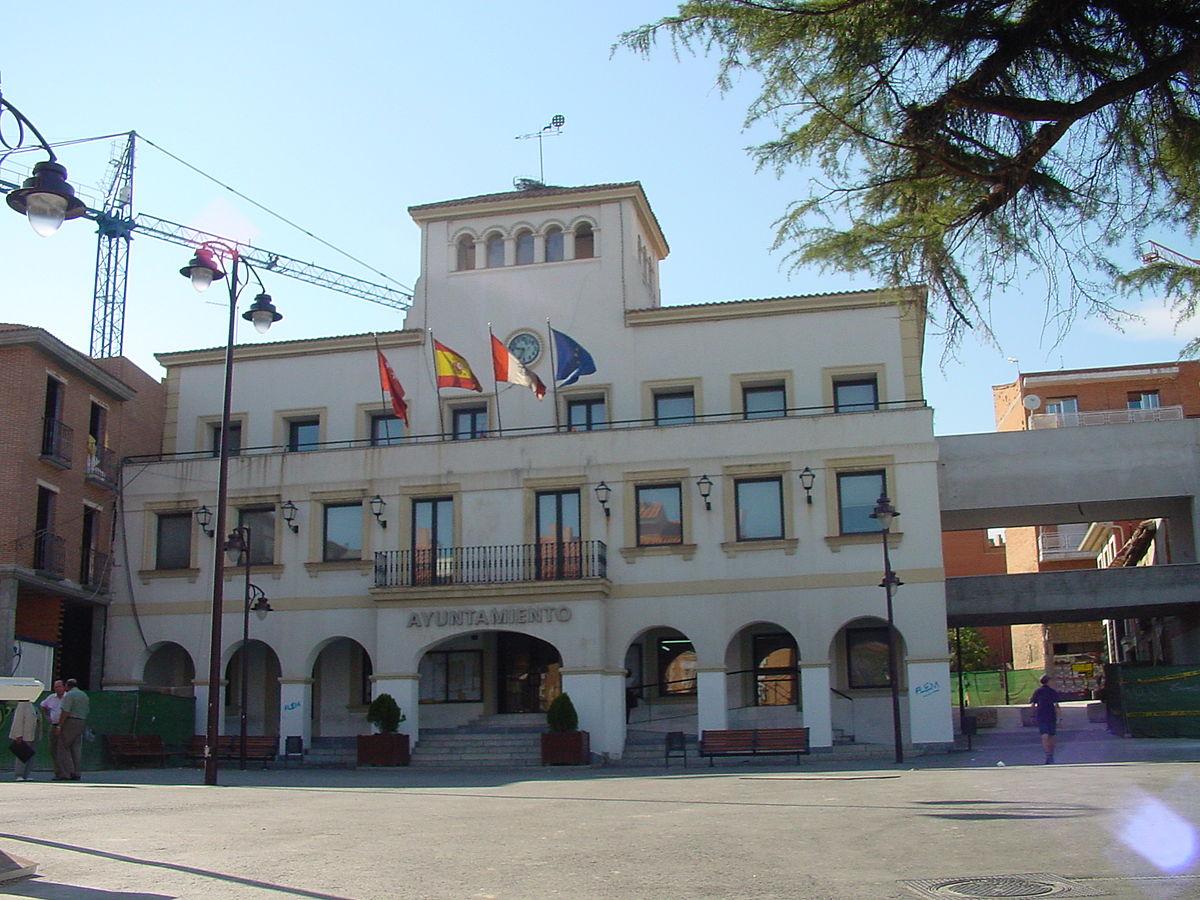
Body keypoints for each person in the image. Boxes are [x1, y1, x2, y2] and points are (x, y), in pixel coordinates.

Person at [56, 678, 90, 781]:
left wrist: (59, 725)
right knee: (76, 748)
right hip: (81, 721)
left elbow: (65, 711)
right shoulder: (84, 695)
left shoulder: (69, 695)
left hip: (71, 721)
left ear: (67, 686)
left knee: (63, 746)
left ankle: (67, 773)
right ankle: (77, 772)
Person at [1030, 675, 1061, 764]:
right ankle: (1050, 754)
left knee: (1046, 736)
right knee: (1050, 736)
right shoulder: (1051, 692)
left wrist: (1032, 715)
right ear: (1048, 681)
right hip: (1050, 716)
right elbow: (1056, 706)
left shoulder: (1038, 691)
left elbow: (1033, 704)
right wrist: (1059, 718)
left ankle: (1049, 754)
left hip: (1042, 715)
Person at [40, 680, 66, 779]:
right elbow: (43, 706)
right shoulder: (51, 697)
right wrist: (47, 717)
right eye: (56, 687)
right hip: (54, 725)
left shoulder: (68, 697)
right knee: (53, 749)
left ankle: (66, 772)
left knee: (63, 749)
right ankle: (57, 772)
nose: (57, 689)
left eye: (59, 686)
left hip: (65, 726)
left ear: (64, 687)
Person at [8, 700, 40, 781]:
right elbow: (18, 720)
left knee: (30, 755)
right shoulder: (22, 704)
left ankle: (26, 775)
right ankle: (19, 774)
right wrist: (18, 735)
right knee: (21, 755)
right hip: (24, 734)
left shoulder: (33, 705)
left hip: (33, 733)